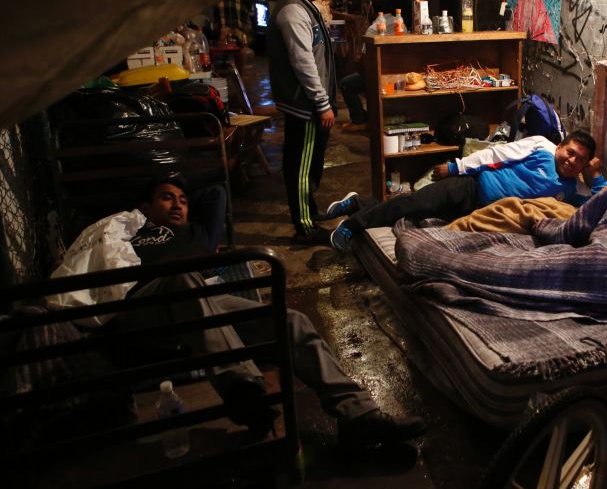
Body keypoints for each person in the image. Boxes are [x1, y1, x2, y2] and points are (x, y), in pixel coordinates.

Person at [59, 174, 425, 447]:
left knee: (290, 321)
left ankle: (357, 413)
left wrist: (181, 198)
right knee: (182, 281)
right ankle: (243, 385)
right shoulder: (130, 233)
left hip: (196, 306)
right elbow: (99, 267)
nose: (177, 205)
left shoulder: (196, 235)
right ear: (146, 206)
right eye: (166, 198)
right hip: (140, 309)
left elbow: (215, 190)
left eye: (183, 200)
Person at [324, 130, 607, 250]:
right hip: (470, 187)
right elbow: (498, 153)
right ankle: (353, 224)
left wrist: (595, 175)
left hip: (482, 214)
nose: (572, 161)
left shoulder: (574, 189)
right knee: (412, 204)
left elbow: (604, 202)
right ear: (560, 147)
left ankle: (359, 203)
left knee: (417, 217)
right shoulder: (541, 146)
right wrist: (458, 167)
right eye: (570, 152)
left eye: (580, 160)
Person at [267, 0, 338, 244]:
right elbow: (303, 62)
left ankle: (308, 212)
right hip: (304, 104)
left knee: (308, 163)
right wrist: (322, 104)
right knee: (301, 166)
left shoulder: (304, 4)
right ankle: (305, 227)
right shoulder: (294, 10)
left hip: (308, 102)